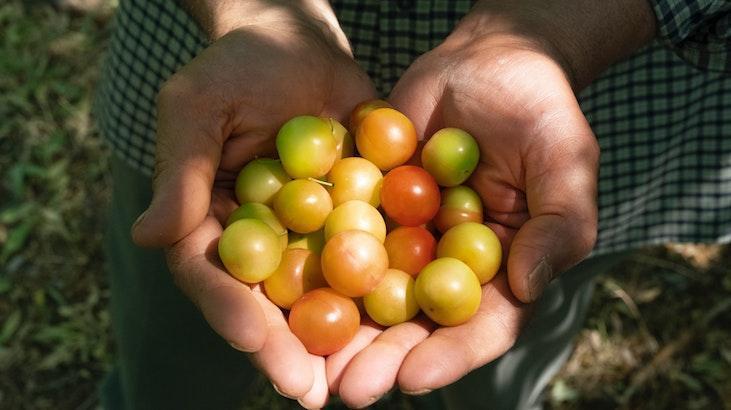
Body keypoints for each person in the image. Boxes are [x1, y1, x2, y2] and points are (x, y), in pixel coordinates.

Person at [95, 0, 731, 408]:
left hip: (563, 125)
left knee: (502, 359)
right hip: (227, 96)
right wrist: (254, 14)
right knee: (170, 355)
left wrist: (544, 32)